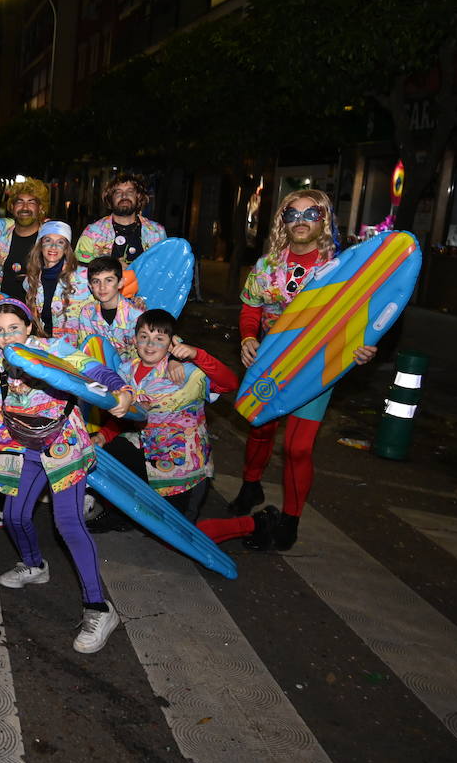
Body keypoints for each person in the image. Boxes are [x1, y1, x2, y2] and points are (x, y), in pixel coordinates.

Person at [0, 297, 134, 654]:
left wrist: (121, 391)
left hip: (62, 444)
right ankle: (34, 565)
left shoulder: (53, 350)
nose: (6, 337)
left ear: (29, 327)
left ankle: (99, 607)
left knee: (67, 524)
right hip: (20, 445)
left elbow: (96, 371)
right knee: (15, 516)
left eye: (13, 329)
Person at [200, 189, 375, 551]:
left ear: (324, 219)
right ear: (282, 221)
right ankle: (251, 486)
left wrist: (364, 348)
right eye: (292, 214)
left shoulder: (340, 268)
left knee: (297, 449)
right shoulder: (267, 267)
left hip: (316, 368)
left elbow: (365, 316)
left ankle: (291, 520)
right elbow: (250, 307)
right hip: (271, 363)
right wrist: (248, 338)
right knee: (260, 428)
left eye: (310, 214)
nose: (300, 221)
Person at [91, 310, 239, 529]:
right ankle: (121, 516)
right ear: (135, 339)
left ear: (171, 343)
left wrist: (196, 355)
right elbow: (124, 415)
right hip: (149, 451)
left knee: (176, 535)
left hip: (184, 467)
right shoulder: (126, 371)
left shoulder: (186, 372)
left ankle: (250, 525)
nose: (150, 345)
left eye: (159, 339)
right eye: (144, 337)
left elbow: (230, 384)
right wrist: (103, 436)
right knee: (105, 454)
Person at [74, 172, 165, 266]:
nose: (124, 196)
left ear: (138, 196)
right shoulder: (92, 232)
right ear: (110, 197)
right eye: (118, 192)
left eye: (130, 191)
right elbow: (80, 271)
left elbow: (166, 268)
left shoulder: (157, 232)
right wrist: (110, 268)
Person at [23, 220, 90, 344]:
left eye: (60, 242)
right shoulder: (30, 280)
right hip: (48, 347)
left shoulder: (85, 276)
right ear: (40, 246)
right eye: (48, 241)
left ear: (66, 249)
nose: (53, 247)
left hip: (79, 350)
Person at [73, 256, 144, 361]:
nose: (102, 287)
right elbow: (86, 350)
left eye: (109, 280)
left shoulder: (136, 315)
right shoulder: (87, 312)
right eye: (96, 281)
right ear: (90, 286)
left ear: (120, 283)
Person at [0, 181, 48, 299]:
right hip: (4, 310)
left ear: (40, 208)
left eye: (31, 202)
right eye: (19, 202)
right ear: (12, 207)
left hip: (35, 313)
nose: (25, 208)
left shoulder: (50, 241)